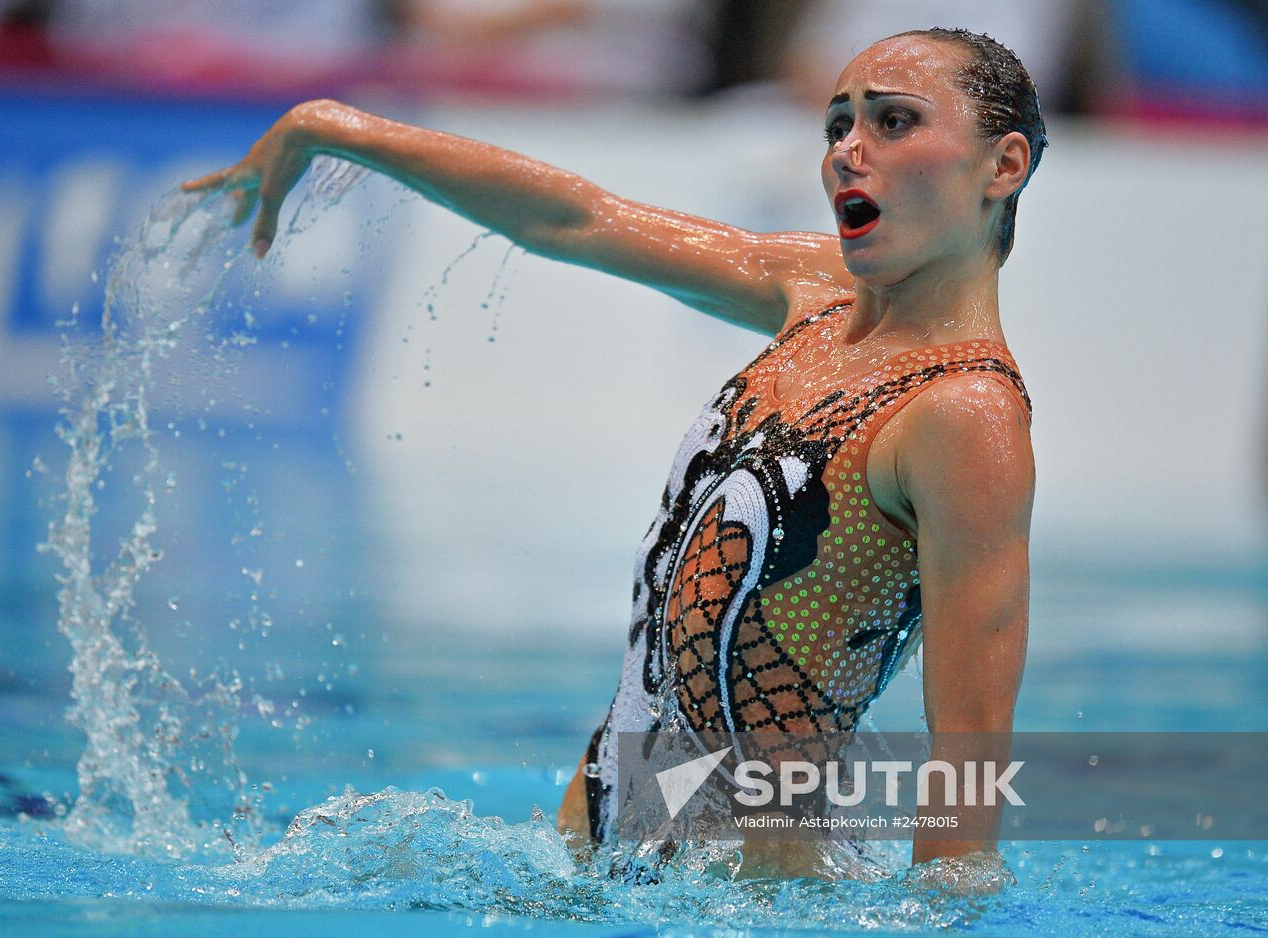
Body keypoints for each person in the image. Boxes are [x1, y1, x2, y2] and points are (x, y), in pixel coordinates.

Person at [183, 26, 1046, 878]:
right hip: (601, 862)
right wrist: (342, 129)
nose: (849, 151)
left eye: (894, 122)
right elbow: (576, 218)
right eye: (837, 125)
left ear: (1002, 166)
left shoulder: (965, 415)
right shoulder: (818, 293)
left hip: (759, 903)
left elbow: (967, 767)